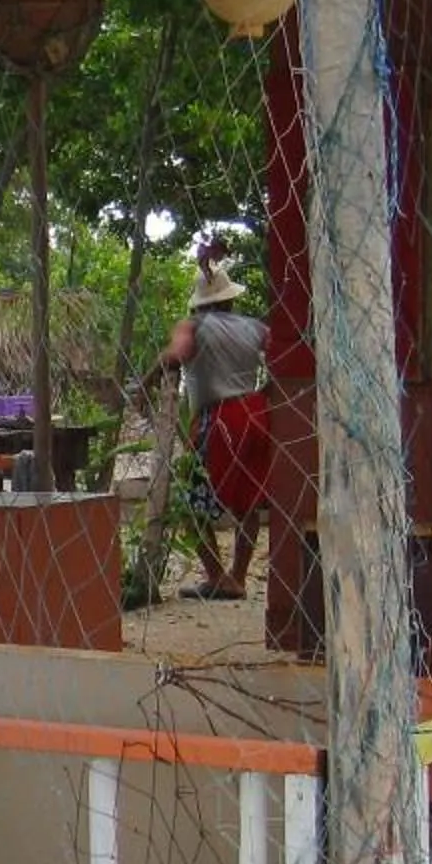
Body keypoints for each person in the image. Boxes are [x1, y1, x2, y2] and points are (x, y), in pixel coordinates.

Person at [161, 242, 270, 600]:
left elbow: (176, 356)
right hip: (256, 414)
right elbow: (287, 356)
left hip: (218, 419)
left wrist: (149, 376)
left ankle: (216, 575)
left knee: (189, 504)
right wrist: (268, 393)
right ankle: (237, 577)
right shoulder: (256, 327)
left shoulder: (192, 325)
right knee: (248, 503)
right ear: (230, 300)